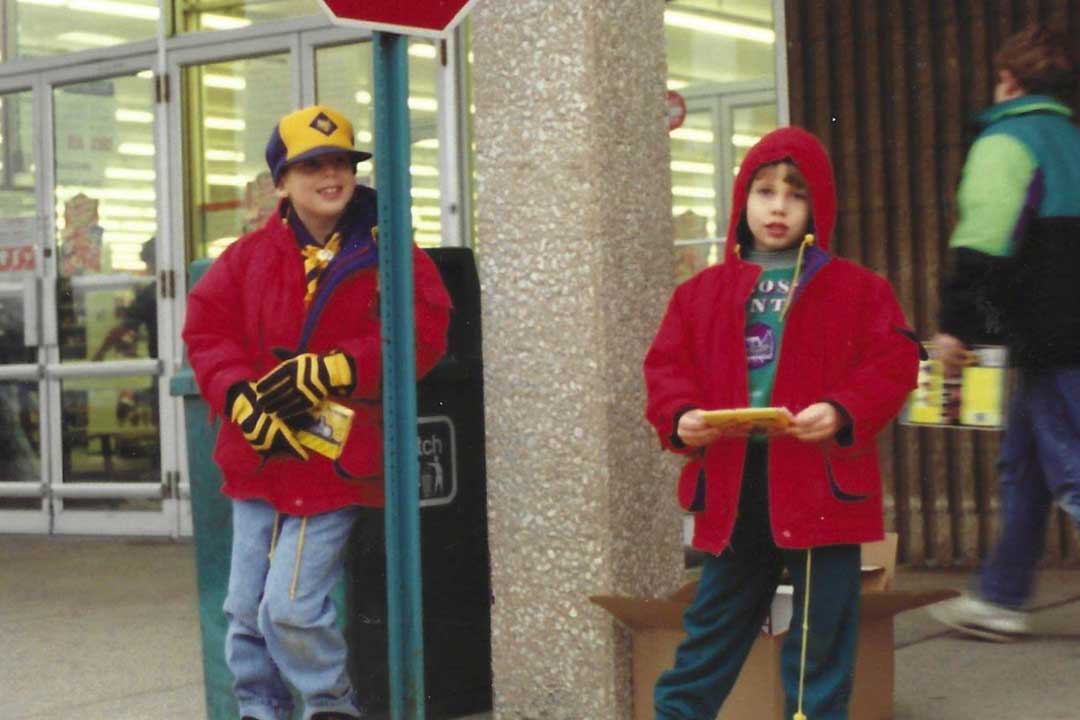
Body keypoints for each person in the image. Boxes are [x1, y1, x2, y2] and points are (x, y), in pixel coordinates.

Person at [182, 104, 451, 720]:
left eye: (340, 164)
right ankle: (259, 710)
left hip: (335, 465)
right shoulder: (245, 256)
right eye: (311, 167)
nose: (330, 177)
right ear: (281, 181)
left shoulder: (389, 248)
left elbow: (425, 332)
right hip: (258, 457)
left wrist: (339, 367)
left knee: (292, 607)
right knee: (244, 610)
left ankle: (331, 706)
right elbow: (206, 333)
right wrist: (238, 395)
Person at [643, 126, 920, 720]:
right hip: (734, 485)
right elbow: (667, 368)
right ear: (742, 201)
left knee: (820, 642)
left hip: (822, 484)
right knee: (712, 627)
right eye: (764, 191)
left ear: (817, 204)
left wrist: (843, 408)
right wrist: (681, 417)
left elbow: (894, 362)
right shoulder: (699, 293)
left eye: (795, 194)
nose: (778, 206)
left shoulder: (858, 289)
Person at [928, 25, 1080, 641]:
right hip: (1060, 337)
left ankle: (1000, 597)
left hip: (1053, 338)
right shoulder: (1071, 139)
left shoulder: (1006, 141)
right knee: (1025, 466)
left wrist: (956, 328)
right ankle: (999, 597)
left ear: (1010, 80)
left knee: (1071, 468)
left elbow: (983, 243)